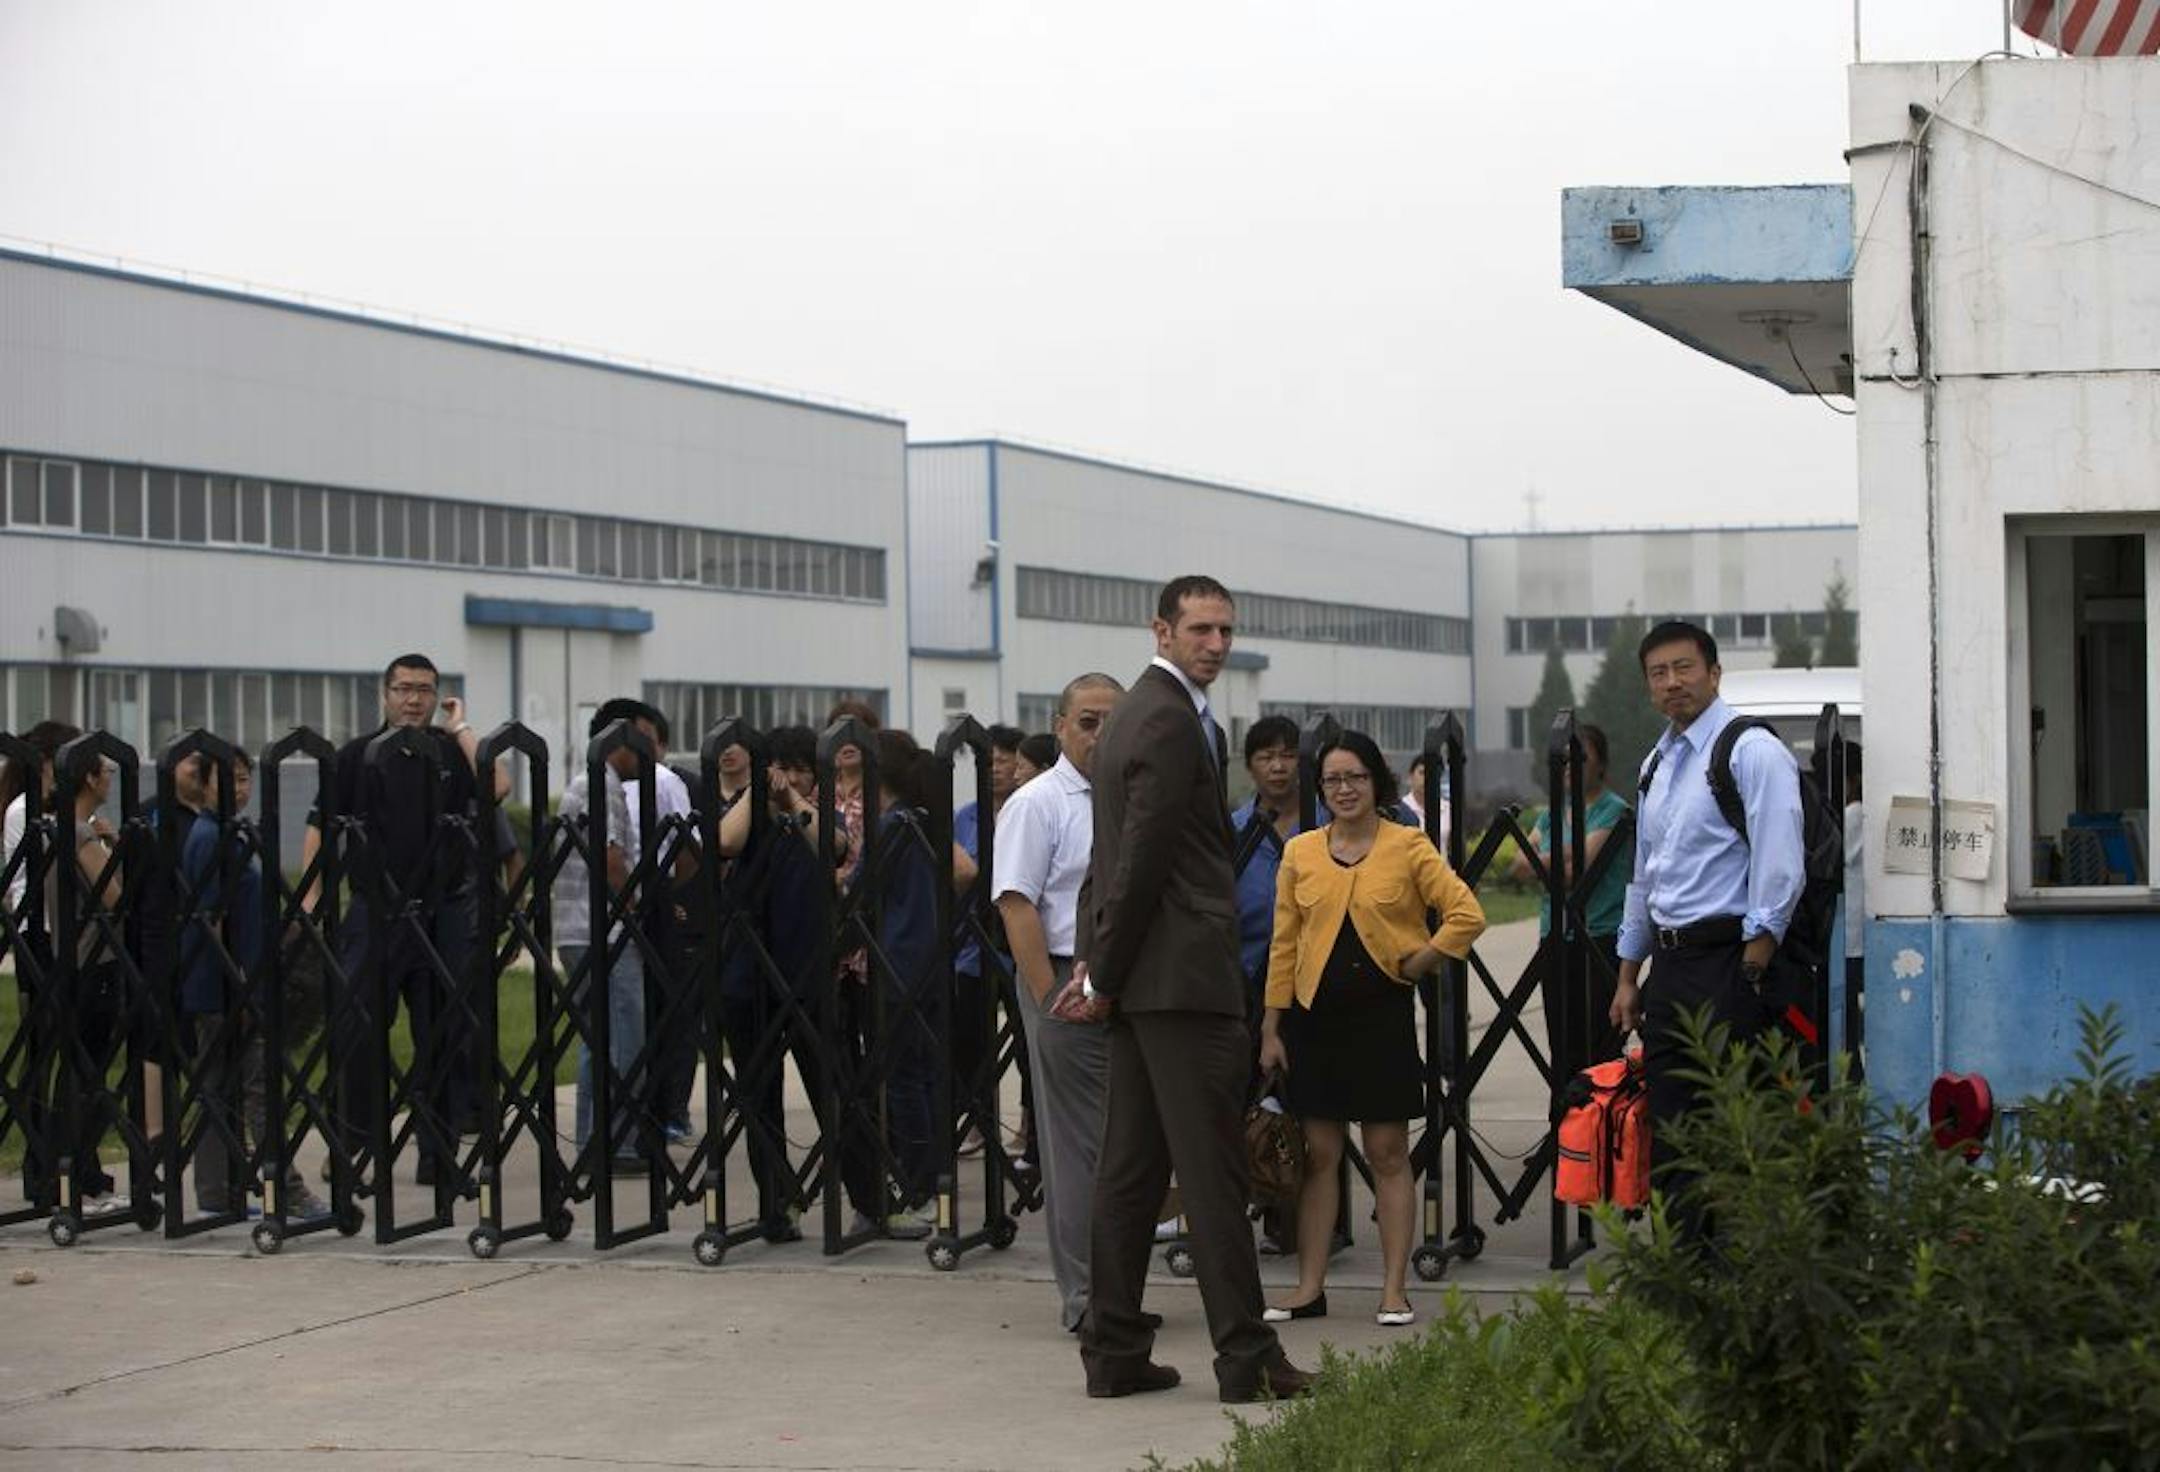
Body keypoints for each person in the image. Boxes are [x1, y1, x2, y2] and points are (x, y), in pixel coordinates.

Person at [1070, 574, 1312, 1404]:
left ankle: (1113, 1350)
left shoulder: (1140, 710)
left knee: (1131, 1172)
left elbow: (1119, 857)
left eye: (1225, 631)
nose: (1215, 644)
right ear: (1162, 630)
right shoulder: (1170, 719)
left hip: (1148, 978)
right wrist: (1103, 965)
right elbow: (1139, 857)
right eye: (1201, 629)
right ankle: (1247, 1359)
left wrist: (1107, 963)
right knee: (1214, 1178)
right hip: (1179, 980)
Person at [1257, 729, 1484, 1327]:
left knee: (1387, 1153)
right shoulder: (1300, 852)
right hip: (1313, 1022)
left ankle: (1393, 1289)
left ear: (1375, 780)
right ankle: (1308, 1287)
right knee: (1318, 1155)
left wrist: (1422, 959)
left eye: (1354, 776)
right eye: (1332, 779)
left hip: (1381, 1019)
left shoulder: (1408, 847)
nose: (1343, 789)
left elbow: (1466, 913)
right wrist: (1271, 1027)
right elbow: (1284, 944)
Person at [1611, 621, 1805, 1241]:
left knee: (1734, 1125)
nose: (1673, 684)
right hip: (1670, 970)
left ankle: (1740, 1270)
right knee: (1673, 1128)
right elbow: (1646, 878)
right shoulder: (1656, 764)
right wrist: (1627, 974)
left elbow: (1781, 869)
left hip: (1732, 965)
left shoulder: (1751, 751)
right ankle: (1688, 1272)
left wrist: (1753, 966)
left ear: (1714, 673)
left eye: (1684, 668)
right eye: (1658, 674)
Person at [301, 654, 486, 1189]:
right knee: (356, 1032)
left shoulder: (451, 754)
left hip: (441, 910)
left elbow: (494, 788)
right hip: (374, 911)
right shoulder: (357, 755)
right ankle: (351, 1150)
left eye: (424, 690)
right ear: (384, 694)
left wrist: (464, 727)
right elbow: (321, 824)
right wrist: (313, 893)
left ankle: (440, 1156)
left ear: (438, 697)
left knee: (444, 1035)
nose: (413, 699)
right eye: (403, 689)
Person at [992, 673, 1122, 1330]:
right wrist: (1051, 999)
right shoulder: (1037, 803)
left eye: (1112, 721)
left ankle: (1118, 1288)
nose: (1100, 734)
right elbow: (1017, 905)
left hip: (1131, 981)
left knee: (1126, 1145)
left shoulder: (1132, 797)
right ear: (1061, 725)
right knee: (1078, 1148)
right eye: (1088, 721)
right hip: (1065, 977)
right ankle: (1087, 1300)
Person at [177, 750, 329, 1220]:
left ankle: (219, 1193)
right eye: (230, 779)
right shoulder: (210, 838)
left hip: (236, 981)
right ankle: (282, 1187)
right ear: (203, 784)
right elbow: (212, 919)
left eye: (245, 779)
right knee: (256, 1087)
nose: (240, 789)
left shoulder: (229, 832)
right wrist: (240, 985)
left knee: (224, 1089)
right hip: (227, 985)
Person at [1509, 722, 1632, 1070]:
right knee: (1561, 1043)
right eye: (1561, 760)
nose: (1568, 767)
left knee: (1597, 1044)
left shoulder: (1613, 809)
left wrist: (1543, 863)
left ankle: (1596, 1119)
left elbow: (1579, 869)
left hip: (1599, 937)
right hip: (1554, 935)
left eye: (1579, 758)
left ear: (1601, 765)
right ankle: (1564, 1120)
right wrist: (1556, 861)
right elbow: (1518, 865)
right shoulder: (1549, 815)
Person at [46, 745, 134, 1219]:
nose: (110, 781)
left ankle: (76, 1174)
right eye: (106, 773)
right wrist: (114, 846)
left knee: (80, 1070)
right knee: (89, 1072)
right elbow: (115, 894)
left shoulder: (61, 829)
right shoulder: (80, 833)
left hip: (74, 958)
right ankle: (78, 1177)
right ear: (88, 780)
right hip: (94, 960)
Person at [952, 723, 1026, 1162]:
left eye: (1004, 760)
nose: (996, 769)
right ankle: (979, 1122)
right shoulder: (965, 816)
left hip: (1018, 945)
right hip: (971, 946)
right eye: (988, 761)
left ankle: (1028, 1124)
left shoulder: (1030, 807)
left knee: (1024, 1040)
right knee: (970, 1043)